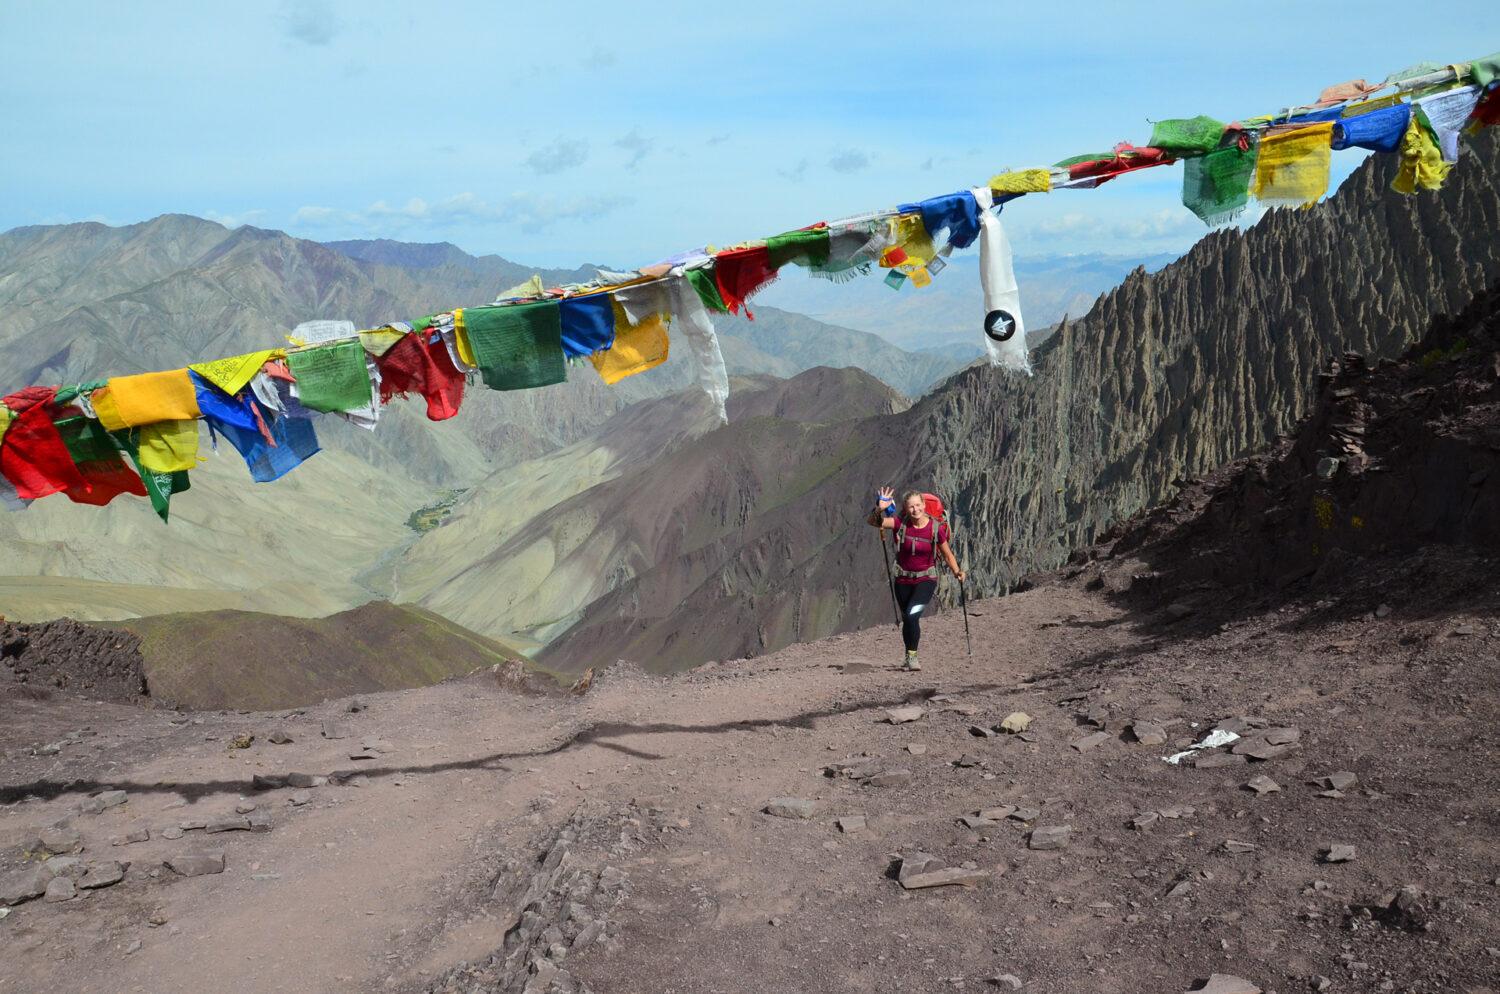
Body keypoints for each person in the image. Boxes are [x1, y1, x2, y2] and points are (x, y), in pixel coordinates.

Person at [867, 486, 964, 671]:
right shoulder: (899, 524)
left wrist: (957, 571)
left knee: (912, 616)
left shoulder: (935, 529)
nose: (915, 510)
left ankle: (912, 658)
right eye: (911, 507)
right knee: (908, 618)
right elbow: (873, 521)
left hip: (926, 580)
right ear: (906, 508)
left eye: (918, 505)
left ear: (924, 505)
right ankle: (908, 655)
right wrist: (880, 508)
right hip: (902, 581)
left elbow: (947, 555)